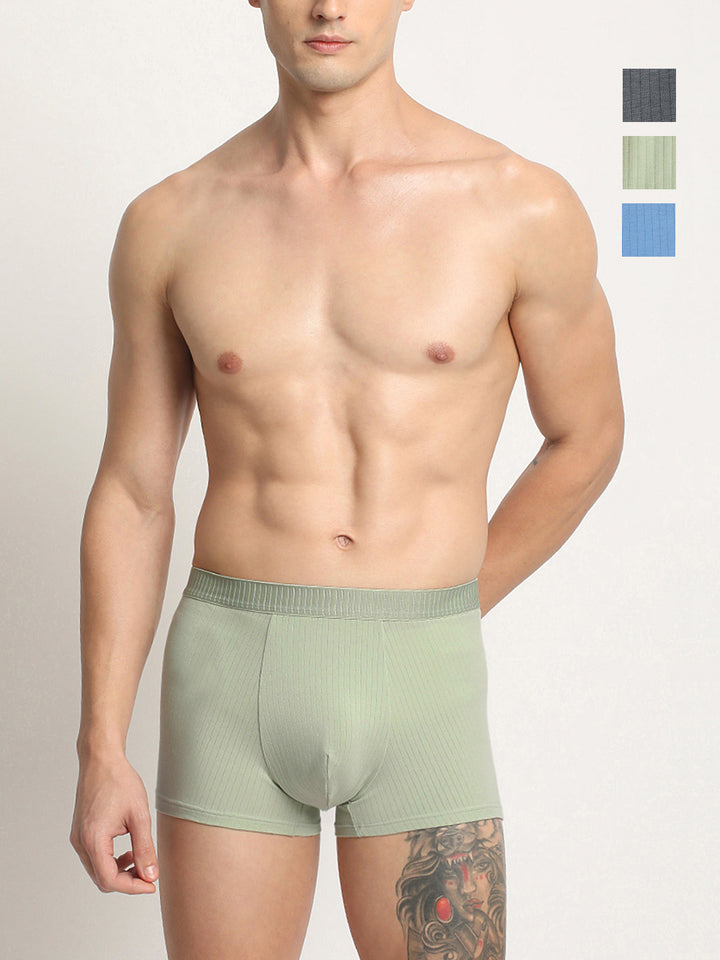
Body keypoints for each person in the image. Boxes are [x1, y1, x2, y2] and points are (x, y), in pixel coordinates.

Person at [69, 1, 624, 957]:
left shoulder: (518, 206)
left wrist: (447, 606)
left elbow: (589, 436)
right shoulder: (174, 219)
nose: (329, 5)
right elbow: (134, 490)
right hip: (229, 676)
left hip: (423, 679)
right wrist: (100, 744)